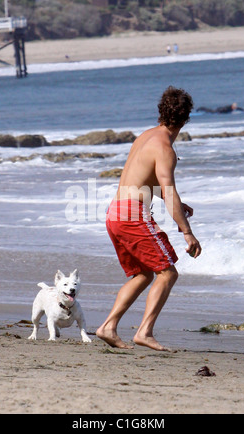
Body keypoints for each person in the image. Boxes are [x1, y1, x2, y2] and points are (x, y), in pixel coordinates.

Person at [96, 86, 202, 351]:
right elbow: (168, 191)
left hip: (115, 214)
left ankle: (108, 328)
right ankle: (144, 332)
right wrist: (187, 232)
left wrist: (177, 203)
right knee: (167, 272)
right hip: (132, 216)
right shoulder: (165, 148)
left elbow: (146, 180)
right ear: (186, 118)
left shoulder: (145, 136)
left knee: (142, 274)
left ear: (160, 112)